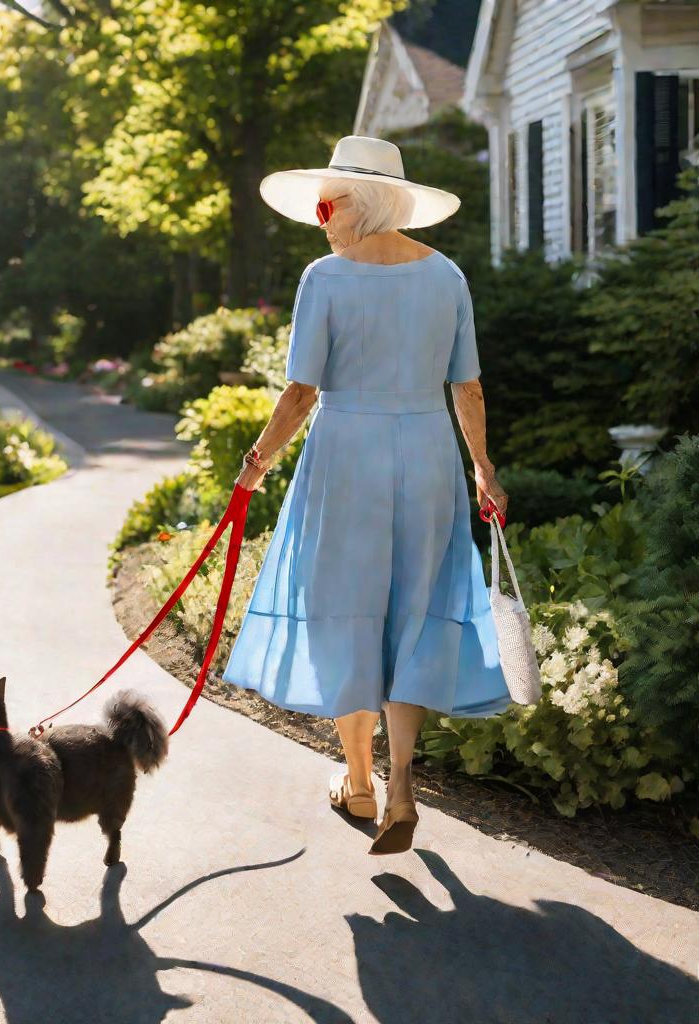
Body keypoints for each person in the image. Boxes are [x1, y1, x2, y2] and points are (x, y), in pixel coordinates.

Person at [221, 136, 511, 855]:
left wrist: (256, 463)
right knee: (411, 612)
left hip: (345, 453)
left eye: (326, 203)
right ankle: (403, 784)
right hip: (427, 453)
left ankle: (358, 780)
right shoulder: (448, 276)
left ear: (364, 202)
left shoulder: (326, 277)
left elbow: (300, 393)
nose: (319, 219)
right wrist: (482, 466)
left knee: (345, 612)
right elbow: (466, 386)